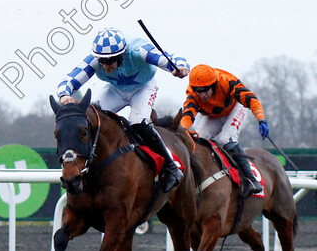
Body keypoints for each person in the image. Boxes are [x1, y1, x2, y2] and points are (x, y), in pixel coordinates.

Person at [56, 27, 190, 192]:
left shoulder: (138, 50)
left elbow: (171, 58)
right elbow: (70, 79)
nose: (106, 66)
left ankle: (171, 166)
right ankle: (86, 167)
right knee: (89, 119)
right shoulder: (95, 60)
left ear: (121, 55)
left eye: (110, 61)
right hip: (115, 90)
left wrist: (179, 68)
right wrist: (64, 95)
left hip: (144, 88)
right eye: (102, 61)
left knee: (137, 123)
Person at [179, 64, 268, 197]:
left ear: (214, 85)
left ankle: (251, 180)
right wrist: (181, 130)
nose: (202, 95)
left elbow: (251, 99)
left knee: (225, 139)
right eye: (198, 91)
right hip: (213, 116)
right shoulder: (192, 93)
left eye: (205, 90)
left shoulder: (226, 81)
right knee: (200, 141)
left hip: (235, 109)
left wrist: (261, 119)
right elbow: (188, 116)